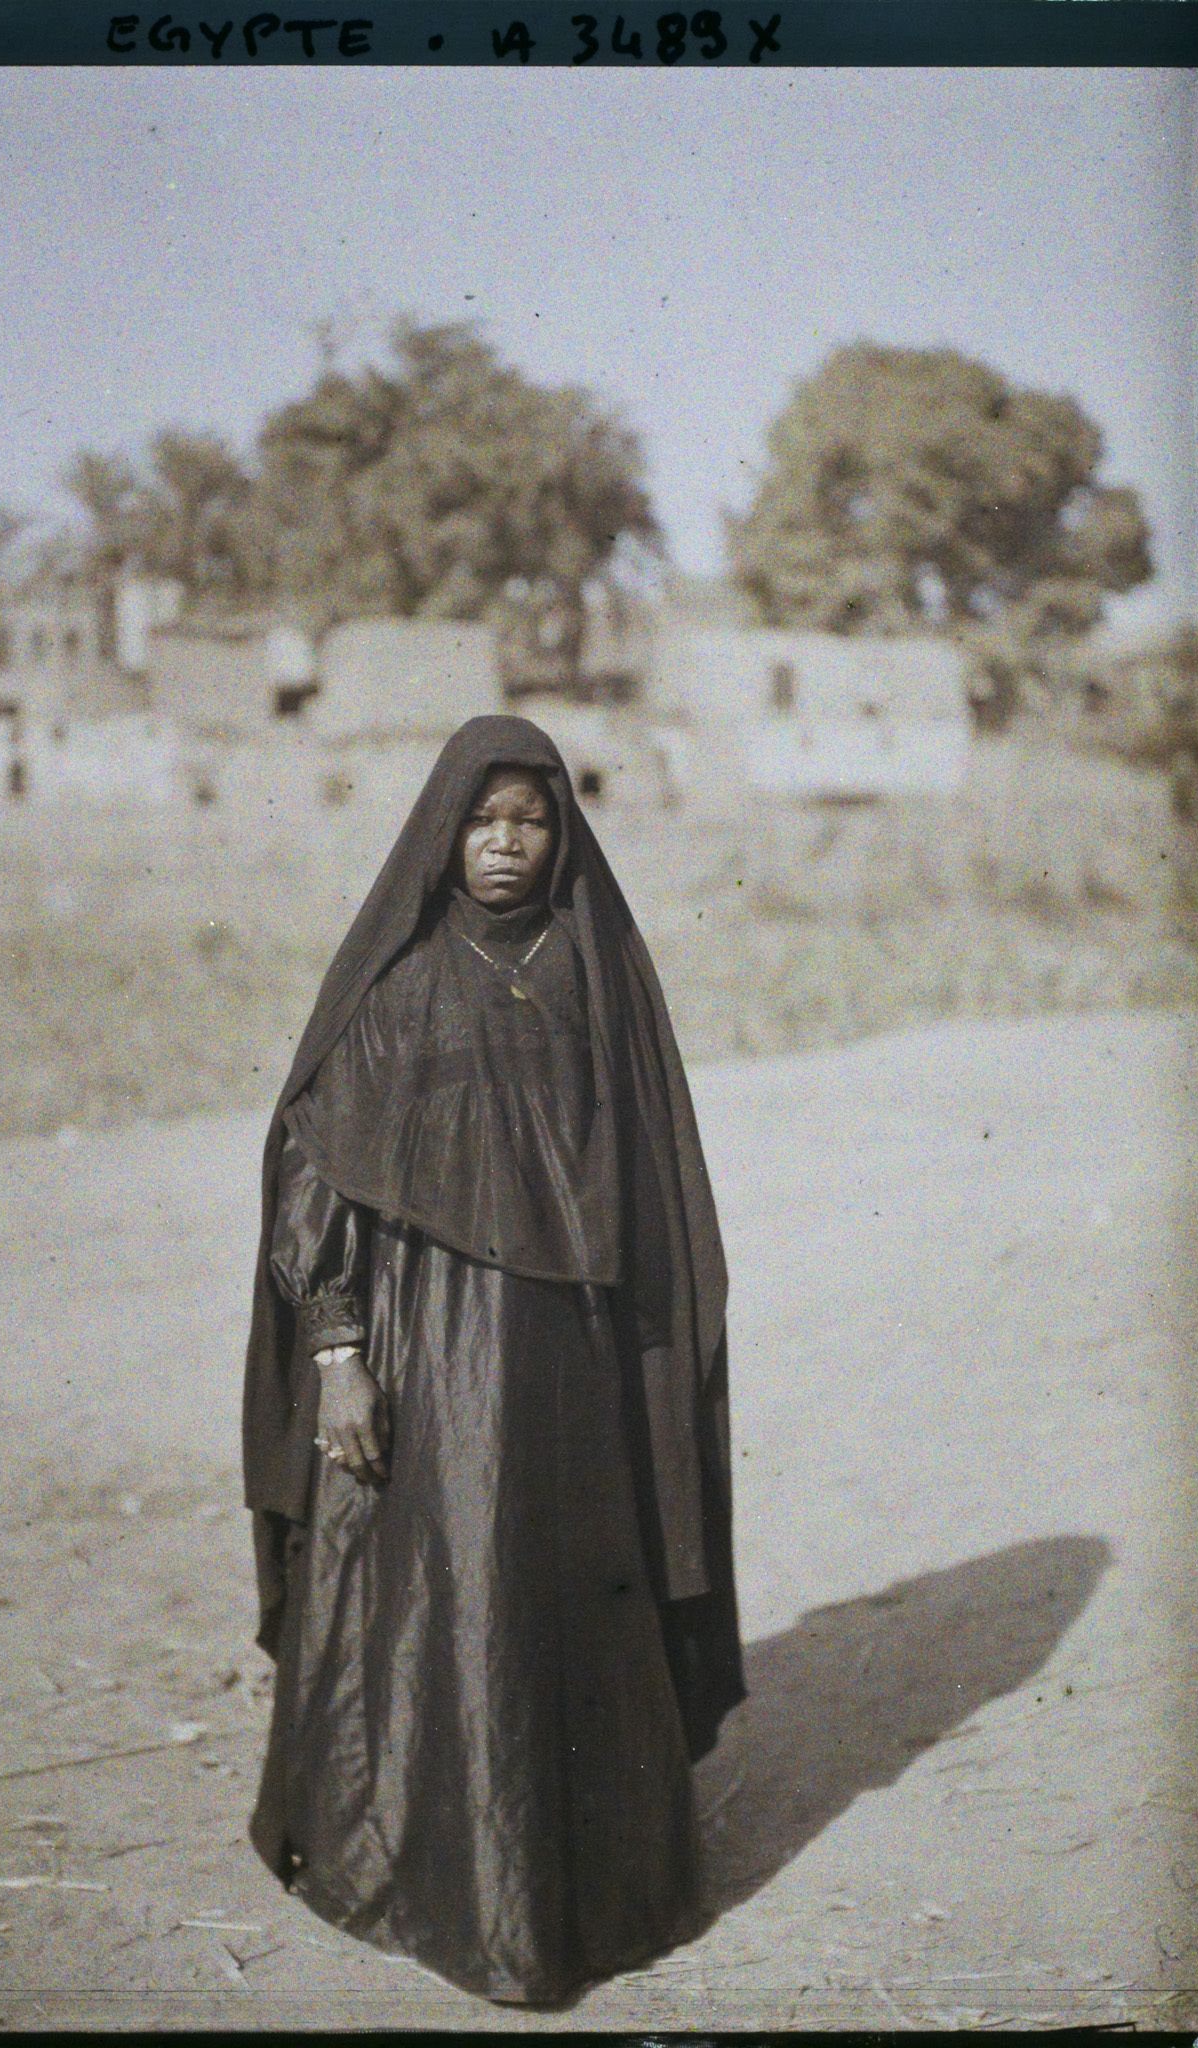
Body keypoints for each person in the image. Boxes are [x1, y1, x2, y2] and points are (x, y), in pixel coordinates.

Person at [242, 714, 744, 2005]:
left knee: (568, 1594)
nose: (509, 841)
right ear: (443, 830)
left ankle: (590, 1893)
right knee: (447, 1598)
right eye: (484, 818)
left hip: (570, 1365)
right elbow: (314, 1169)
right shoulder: (401, 978)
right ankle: (431, 1875)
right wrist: (339, 1352)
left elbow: (655, 1175)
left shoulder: (597, 967)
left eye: (532, 817)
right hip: (431, 1353)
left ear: (562, 830)